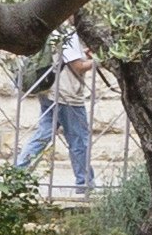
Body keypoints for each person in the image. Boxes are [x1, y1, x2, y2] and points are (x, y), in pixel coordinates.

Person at [20, 25, 99, 203]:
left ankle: (17, 172)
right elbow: (78, 66)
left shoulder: (52, 30)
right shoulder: (68, 35)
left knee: (43, 135)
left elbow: (65, 59)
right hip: (66, 95)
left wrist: (83, 53)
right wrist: (100, 60)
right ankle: (85, 182)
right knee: (79, 139)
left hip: (49, 92)